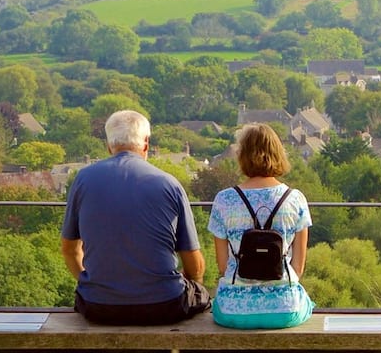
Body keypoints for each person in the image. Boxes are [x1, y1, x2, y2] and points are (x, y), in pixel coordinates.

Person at [60, 110, 208, 325]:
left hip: (98, 306)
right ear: (146, 143)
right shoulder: (168, 183)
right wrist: (190, 285)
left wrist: (92, 283)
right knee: (200, 294)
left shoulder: (83, 180)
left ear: (109, 145)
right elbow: (194, 264)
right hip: (164, 305)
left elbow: (69, 249)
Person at [207, 124, 313, 329]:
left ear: (242, 156)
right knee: (307, 303)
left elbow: (222, 266)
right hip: (284, 310)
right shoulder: (295, 199)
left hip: (232, 310)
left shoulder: (224, 199)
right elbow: (298, 268)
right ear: (278, 154)